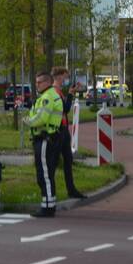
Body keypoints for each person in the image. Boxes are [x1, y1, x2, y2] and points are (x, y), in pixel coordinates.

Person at [28, 71, 64, 218]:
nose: (37, 85)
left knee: (44, 174)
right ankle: (49, 204)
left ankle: (48, 207)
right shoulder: (48, 96)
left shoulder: (47, 97)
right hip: (50, 138)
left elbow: (41, 118)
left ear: (48, 82)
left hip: (45, 139)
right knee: (46, 173)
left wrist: (28, 121)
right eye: (36, 82)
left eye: (39, 82)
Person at [51, 66, 85, 200]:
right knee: (54, 161)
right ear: (59, 77)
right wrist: (70, 93)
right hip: (58, 131)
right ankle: (51, 192)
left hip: (63, 130)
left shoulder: (58, 91)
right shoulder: (54, 92)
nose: (66, 80)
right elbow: (65, 109)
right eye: (65, 77)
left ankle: (71, 189)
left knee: (68, 160)